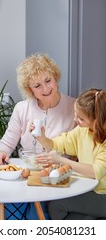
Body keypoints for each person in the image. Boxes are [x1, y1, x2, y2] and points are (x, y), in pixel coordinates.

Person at [35, 88, 106, 220]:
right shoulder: (82, 130)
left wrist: (62, 161)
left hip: (102, 194)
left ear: (96, 120)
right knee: (79, 217)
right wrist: (42, 138)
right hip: (89, 189)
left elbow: (96, 171)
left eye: (80, 118)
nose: (75, 119)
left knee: (57, 205)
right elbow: (58, 144)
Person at [0, 52, 76, 165]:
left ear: (55, 77)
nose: (45, 89)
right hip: (29, 172)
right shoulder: (21, 109)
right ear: (29, 89)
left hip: (62, 175)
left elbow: (79, 151)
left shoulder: (74, 108)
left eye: (48, 80)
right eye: (37, 86)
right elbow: (7, 143)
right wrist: (1, 153)